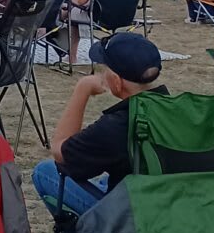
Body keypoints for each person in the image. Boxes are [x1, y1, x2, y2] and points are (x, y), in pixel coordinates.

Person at [32, 33, 167, 217]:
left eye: (105, 69)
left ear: (117, 82)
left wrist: (82, 89)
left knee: (45, 172)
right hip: (169, 205)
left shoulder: (116, 126)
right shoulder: (179, 110)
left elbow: (59, 151)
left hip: (134, 219)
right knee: (106, 180)